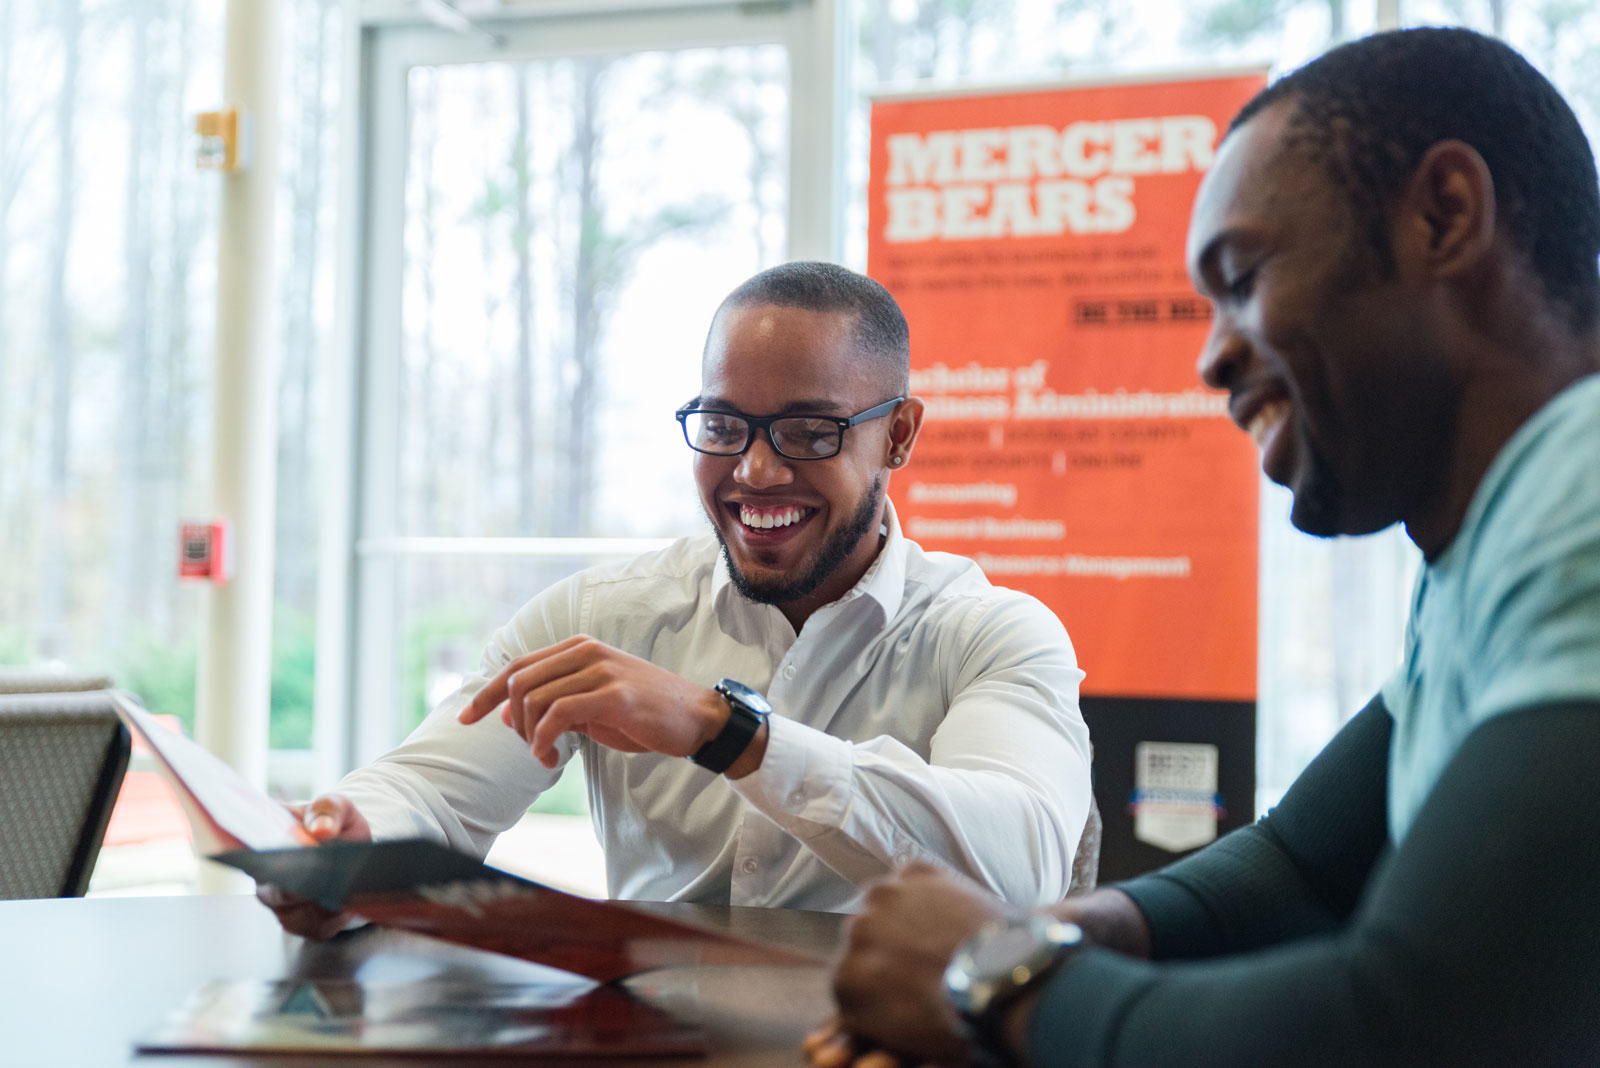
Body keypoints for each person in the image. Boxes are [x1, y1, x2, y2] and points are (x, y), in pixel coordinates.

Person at [820, 27, 1600, 1068]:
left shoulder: (1580, 496)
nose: (1211, 355)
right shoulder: (1487, 536)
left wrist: (994, 983)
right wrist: (1044, 941)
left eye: (1242, 277)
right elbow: (1301, 868)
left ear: (1444, 217)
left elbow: (1418, 1021)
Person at [263, 261, 1093, 939]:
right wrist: (351, 841)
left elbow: (1018, 868)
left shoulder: (995, 634)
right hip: (654, 1037)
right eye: (725, 426)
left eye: (810, 433)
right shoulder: (599, 617)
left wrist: (725, 731)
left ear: (899, 435)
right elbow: (434, 792)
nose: (757, 472)